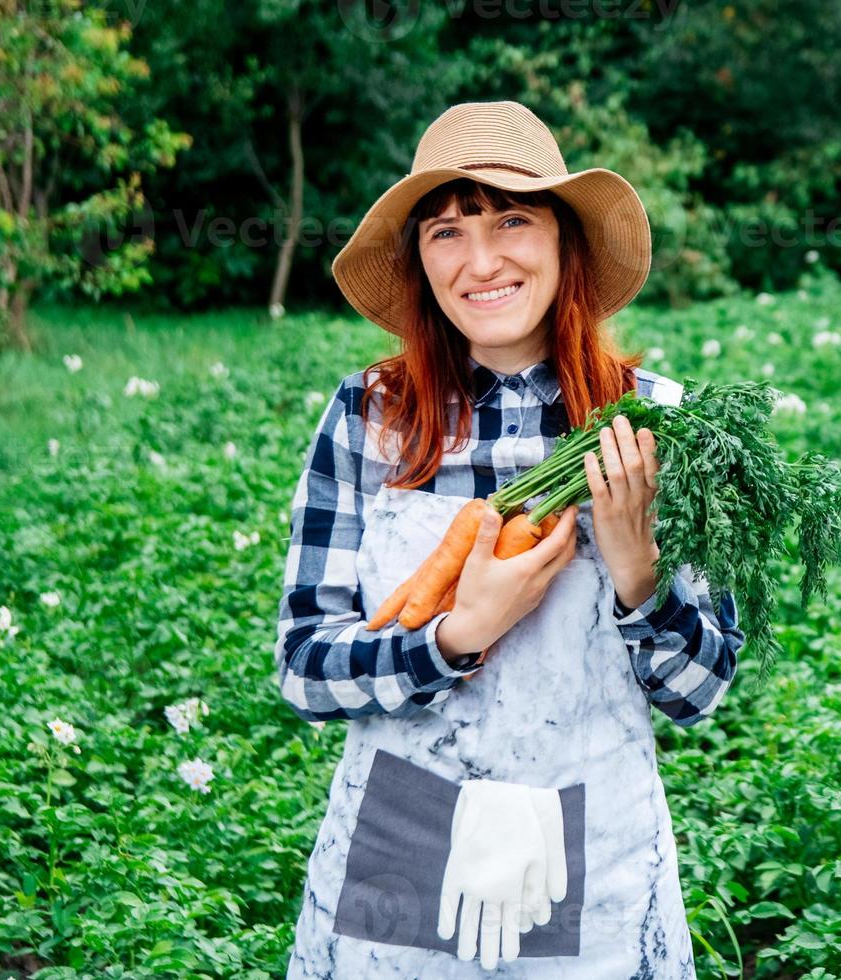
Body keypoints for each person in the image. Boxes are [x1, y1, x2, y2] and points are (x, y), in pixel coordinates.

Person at [274, 101, 744, 978]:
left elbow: (700, 693)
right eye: (446, 230)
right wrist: (456, 636)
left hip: (593, 846)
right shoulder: (368, 418)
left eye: (512, 220)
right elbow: (305, 670)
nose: (479, 261)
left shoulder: (658, 424)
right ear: (418, 258)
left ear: (565, 241)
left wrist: (639, 573)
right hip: (401, 838)